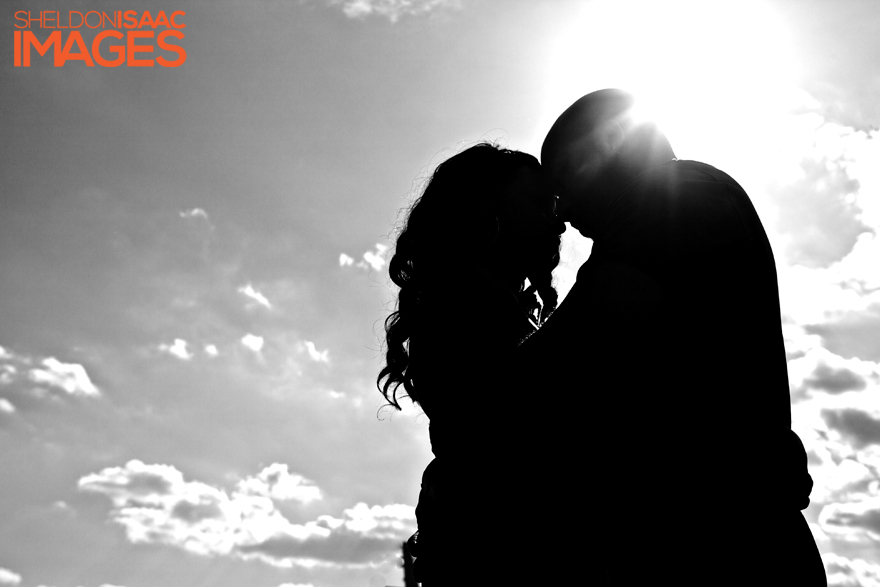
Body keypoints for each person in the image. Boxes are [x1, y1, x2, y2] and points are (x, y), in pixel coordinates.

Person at [522, 88, 826, 585]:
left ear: (617, 138)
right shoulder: (683, 200)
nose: (563, 211)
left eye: (568, 177)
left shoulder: (676, 192)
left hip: (718, 551)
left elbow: (556, 366)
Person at [377, 142, 564, 585]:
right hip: (492, 544)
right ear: (484, 211)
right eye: (538, 203)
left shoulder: (476, 298)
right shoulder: (467, 299)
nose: (557, 219)